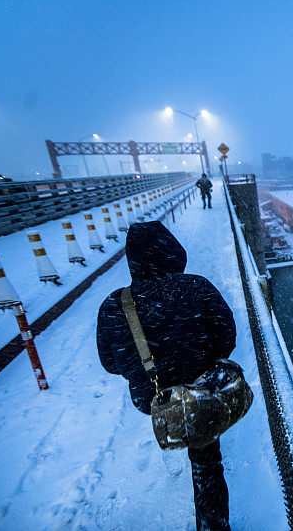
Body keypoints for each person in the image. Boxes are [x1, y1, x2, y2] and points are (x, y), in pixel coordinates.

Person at [96, 221, 236, 531]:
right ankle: (213, 522)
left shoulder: (114, 306)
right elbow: (227, 337)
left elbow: (110, 363)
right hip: (202, 388)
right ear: (171, 251)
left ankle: (183, 431)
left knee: (179, 415)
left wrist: (150, 368)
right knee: (206, 459)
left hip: (152, 396)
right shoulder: (196, 286)